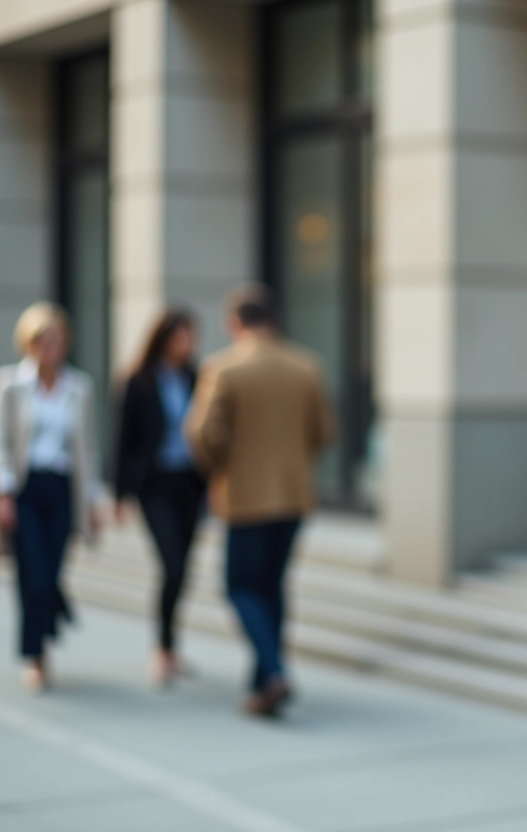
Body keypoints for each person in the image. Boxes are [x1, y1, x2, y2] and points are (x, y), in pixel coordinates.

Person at [185, 286, 332, 717]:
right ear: (274, 319)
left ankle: (273, 672)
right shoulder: (306, 366)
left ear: (234, 323)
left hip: (245, 495)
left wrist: (220, 470)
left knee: (240, 587)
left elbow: (202, 434)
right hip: (293, 494)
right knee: (272, 586)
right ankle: (264, 676)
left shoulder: (223, 368)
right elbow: (324, 431)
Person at [0, 302, 106, 693]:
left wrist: (93, 499)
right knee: (33, 574)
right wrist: (3, 493)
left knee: (52, 571)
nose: (49, 347)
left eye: (56, 339)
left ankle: (53, 611)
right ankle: (35, 654)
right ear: (29, 342)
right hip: (25, 487)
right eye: (42, 339)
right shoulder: (10, 384)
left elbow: (87, 448)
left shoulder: (79, 387)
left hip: (62, 488)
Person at [113, 309, 207, 686]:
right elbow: (123, 439)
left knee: (184, 567)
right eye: (180, 336)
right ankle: (163, 649)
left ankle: (172, 645)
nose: (187, 344)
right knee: (172, 566)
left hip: (190, 483)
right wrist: (119, 494)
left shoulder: (197, 377)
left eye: (191, 336)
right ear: (163, 339)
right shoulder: (139, 380)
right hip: (154, 485)